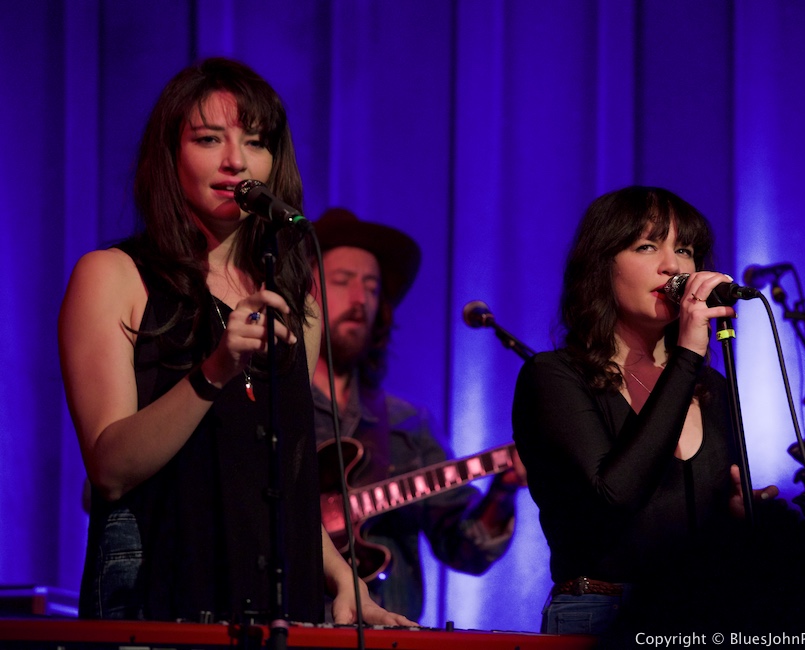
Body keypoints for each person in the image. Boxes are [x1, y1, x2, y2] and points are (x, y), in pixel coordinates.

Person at [59, 57, 412, 626]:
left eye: (254, 142)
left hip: (276, 594)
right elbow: (110, 467)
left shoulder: (299, 302)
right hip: (158, 582)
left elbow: (290, 484)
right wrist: (216, 368)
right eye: (208, 139)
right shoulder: (113, 275)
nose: (235, 161)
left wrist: (346, 580)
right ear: (170, 156)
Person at [511, 186, 780, 637]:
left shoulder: (710, 387)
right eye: (647, 246)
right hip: (600, 614)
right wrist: (689, 352)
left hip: (696, 614)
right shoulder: (554, 376)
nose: (673, 266)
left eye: (685, 250)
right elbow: (613, 495)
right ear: (601, 266)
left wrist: (731, 518)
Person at [310, 208, 525, 622]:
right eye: (341, 282)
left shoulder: (409, 424)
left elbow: (464, 549)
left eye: (372, 288)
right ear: (304, 292)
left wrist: (504, 490)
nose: (360, 300)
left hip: (388, 629)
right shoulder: (270, 409)